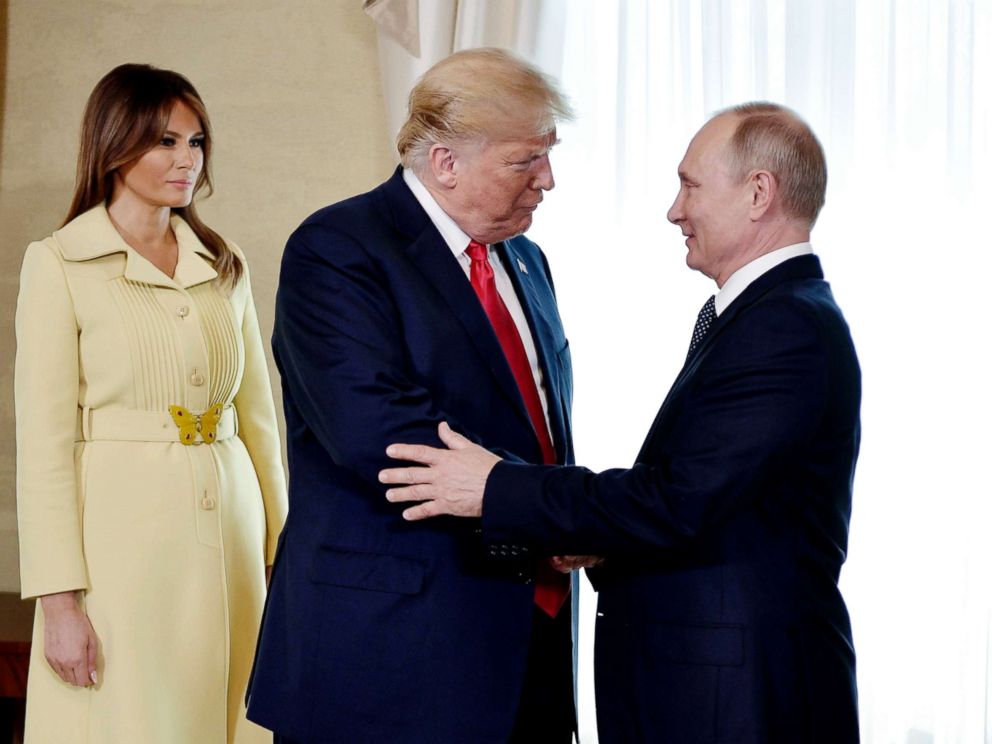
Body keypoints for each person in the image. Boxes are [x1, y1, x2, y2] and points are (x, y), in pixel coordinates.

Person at [381, 102, 862, 743]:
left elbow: (678, 499)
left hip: (741, 701)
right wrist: (602, 538)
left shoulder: (786, 327)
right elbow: (719, 499)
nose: (675, 210)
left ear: (758, 193)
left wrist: (496, 487)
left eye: (690, 185)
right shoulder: (772, 314)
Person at [246, 48, 579, 744]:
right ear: (446, 162)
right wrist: (555, 513)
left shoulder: (526, 259)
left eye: (548, 156)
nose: (547, 180)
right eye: (526, 160)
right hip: (389, 657)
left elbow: (538, 424)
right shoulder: (337, 249)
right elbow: (381, 436)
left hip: (525, 644)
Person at [14, 63, 287, 744]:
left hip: (232, 538)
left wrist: (286, 553)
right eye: (165, 141)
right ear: (115, 142)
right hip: (122, 553)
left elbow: (261, 423)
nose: (186, 160)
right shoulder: (59, 263)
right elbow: (43, 446)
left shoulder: (225, 264)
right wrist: (58, 602)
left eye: (196, 143)